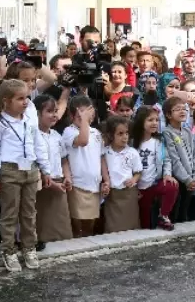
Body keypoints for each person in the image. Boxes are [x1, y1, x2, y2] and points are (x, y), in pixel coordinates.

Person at [0, 78, 47, 272]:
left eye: (27, 97)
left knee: (29, 213)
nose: (26, 102)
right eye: (20, 98)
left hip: (30, 169)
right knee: (10, 214)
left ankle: (29, 247)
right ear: (6, 101)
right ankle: (9, 250)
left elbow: (38, 143)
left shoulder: (30, 119)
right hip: (9, 171)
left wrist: (45, 169)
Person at [62, 95, 104, 238]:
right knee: (77, 223)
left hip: (94, 185)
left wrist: (106, 180)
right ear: (72, 114)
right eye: (81, 113)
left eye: (88, 113)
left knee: (90, 224)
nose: (85, 117)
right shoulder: (69, 131)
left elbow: (102, 157)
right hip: (77, 185)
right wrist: (85, 121)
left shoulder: (97, 133)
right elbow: (83, 140)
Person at [34, 94, 73, 244]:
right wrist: (50, 182)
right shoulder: (33, 135)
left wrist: (67, 177)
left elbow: (63, 160)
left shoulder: (57, 135)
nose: (55, 115)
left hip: (59, 182)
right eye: (49, 111)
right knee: (42, 222)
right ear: (37, 113)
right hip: (42, 185)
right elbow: (35, 163)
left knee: (61, 222)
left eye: (56, 111)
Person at [132, 105, 178, 231]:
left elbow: (166, 159)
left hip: (154, 183)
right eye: (150, 120)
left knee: (171, 185)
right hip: (139, 188)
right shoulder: (131, 143)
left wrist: (167, 174)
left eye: (157, 120)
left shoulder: (159, 141)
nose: (154, 123)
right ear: (141, 121)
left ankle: (163, 216)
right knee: (145, 224)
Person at [100, 114, 143, 233]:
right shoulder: (105, 152)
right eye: (120, 134)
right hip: (113, 196)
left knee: (131, 223)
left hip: (129, 194)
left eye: (127, 133)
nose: (125, 137)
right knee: (112, 226)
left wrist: (133, 180)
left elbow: (138, 172)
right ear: (110, 135)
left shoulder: (132, 153)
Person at [161, 95, 195, 220]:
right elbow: (174, 159)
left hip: (191, 180)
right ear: (168, 115)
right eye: (178, 109)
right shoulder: (167, 133)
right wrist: (187, 179)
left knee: (185, 212)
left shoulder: (188, 132)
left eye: (184, 109)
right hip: (179, 180)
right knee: (176, 213)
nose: (182, 111)